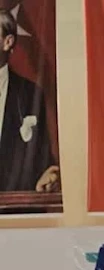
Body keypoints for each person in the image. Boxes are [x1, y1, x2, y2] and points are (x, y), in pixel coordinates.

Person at [0, 10, 59, 193]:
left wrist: (48, 175)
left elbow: (41, 155)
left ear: (7, 42)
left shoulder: (30, 94)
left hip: (15, 205)